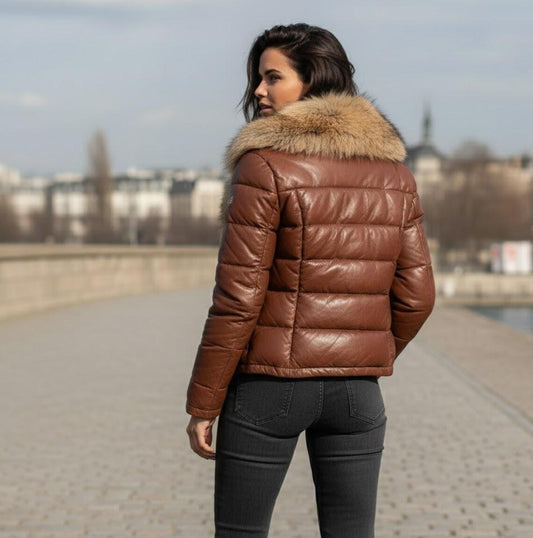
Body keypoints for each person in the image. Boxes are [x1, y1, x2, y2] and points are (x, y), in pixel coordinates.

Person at [185, 23, 435, 537]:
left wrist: (203, 404)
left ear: (313, 80)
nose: (259, 90)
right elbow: (418, 296)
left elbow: (238, 300)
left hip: (268, 388)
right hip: (357, 396)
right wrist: (359, 350)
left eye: (272, 77)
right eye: (259, 78)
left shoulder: (264, 167)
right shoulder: (396, 176)